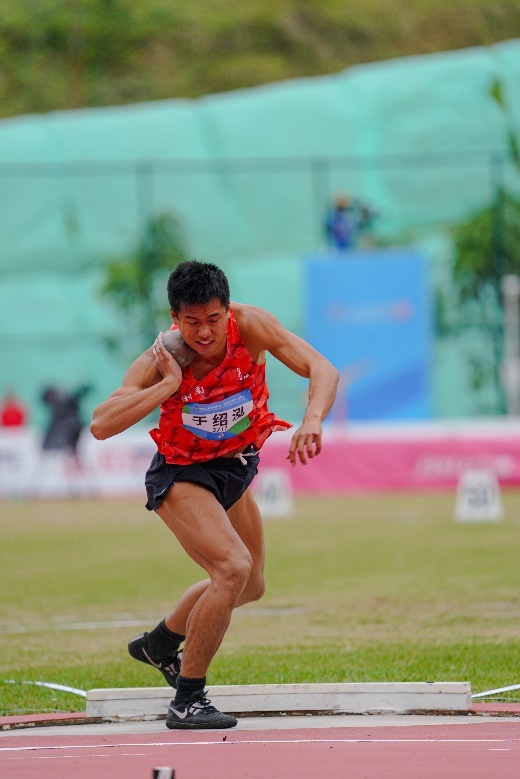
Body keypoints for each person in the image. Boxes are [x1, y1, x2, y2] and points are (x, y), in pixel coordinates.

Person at [90, 260, 339, 730]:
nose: (204, 333)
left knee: (252, 584)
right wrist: (167, 385)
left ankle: (160, 644)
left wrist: (313, 419)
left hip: (234, 468)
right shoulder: (160, 357)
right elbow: (102, 423)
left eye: (213, 319)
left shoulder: (253, 326)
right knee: (231, 568)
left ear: (228, 310)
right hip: (182, 474)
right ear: (174, 318)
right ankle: (188, 699)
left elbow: (322, 368)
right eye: (191, 322)